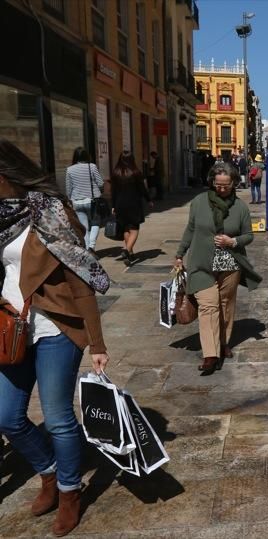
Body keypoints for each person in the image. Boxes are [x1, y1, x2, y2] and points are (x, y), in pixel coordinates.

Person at [0, 139, 110, 537]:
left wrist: (96, 343)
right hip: (11, 329)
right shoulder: (2, 219)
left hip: (54, 326)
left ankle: (68, 492)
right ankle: (48, 472)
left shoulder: (52, 214)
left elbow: (81, 276)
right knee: (8, 417)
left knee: (59, 417)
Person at [175, 162, 262, 374]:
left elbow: (248, 236)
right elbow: (191, 229)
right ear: (212, 182)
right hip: (201, 264)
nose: (221, 189)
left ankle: (223, 343)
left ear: (234, 183)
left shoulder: (240, 207)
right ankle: (210, 355)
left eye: (226, 185)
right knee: (208, 306)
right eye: (218, 184)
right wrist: (179, 254)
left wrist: (232, 242)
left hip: (230, 265)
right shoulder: (199, 202)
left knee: (225, 305)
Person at [110, 151, 153, 265]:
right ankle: (127, 250)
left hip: (120, 205)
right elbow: (142, 189)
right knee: (134, 229)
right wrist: (149, 200)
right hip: (133, 204)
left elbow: (113, 191)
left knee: (126, 229)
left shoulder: (115, 173)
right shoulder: (135, 173)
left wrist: (113, 205)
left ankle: (131, 254)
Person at [65, 147, 104, 256]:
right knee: (96, 223)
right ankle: (91, 246)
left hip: (76, 202)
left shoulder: (70, 169)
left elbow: (68, 189)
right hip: (92, 200)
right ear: (87, 156)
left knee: (84, 226)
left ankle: (87, 249)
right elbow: (100, 183)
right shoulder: (92, 167)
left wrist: (70, 200)